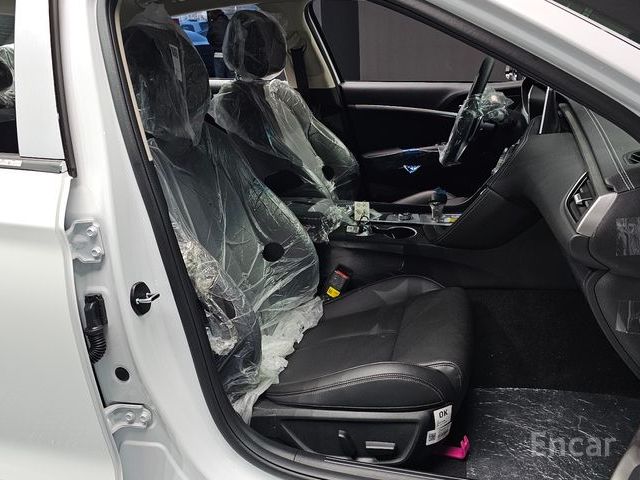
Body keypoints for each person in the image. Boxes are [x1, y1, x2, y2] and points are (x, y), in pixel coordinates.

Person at [206, 9, 231, 78]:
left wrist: (214, 47)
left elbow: (209, 37)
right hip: (230, 54)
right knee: (231, 77)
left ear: (214, 14)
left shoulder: (213, 25)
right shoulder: (229, 23)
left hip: (218, 54)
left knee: (219, 78)